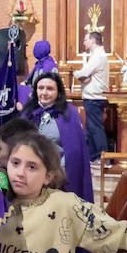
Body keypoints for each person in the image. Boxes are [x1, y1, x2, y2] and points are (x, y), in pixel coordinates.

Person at [19, 72, 92, 204]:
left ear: (58, 91)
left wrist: (55, 172)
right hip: (31, 174)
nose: (44, 92)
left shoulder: (69, 113)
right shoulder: (27, 112)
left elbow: (74, 150)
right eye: (41, 88)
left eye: (50, 88)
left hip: (58, 175)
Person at [73, 31, 110, 160]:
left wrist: (77, 74)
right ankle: (93, 157)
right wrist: (84, 76)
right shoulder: (96, 55)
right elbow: (86, 76)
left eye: (85, 40)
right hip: (93, 97)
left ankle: (102, 157)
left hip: (95, 97)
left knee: (95, 129)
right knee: (91, 128)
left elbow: (84, 73)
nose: (84, 42)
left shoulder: (98, 56)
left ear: (93, 41)